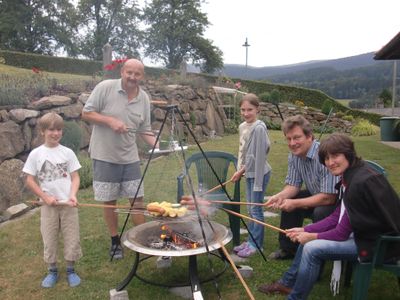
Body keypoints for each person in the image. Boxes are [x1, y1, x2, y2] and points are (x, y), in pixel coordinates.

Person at [258, 133, 400, 299]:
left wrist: (311, 236)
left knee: (312, 247)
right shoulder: (350, 176)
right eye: (326, 158)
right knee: (310, 241)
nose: (330, 163)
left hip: (379, 245)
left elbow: (341, 233)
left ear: (348, 153)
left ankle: (294, 297)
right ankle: (288, 284)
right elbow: (336, 217)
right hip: (365, 235)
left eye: (335, 156)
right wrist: (305, 229)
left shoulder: (359, 183)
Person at [81, 58, 158, 259]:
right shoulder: (105, 87)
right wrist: (109, 120)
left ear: (142, 76)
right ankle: (115, 241)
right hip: (104, 155)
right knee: (110, 202)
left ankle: (143, 239)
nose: (132, 77)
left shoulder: (144, 99)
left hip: (130, 157)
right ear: (122, 71)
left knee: (137, 201)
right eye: (129, 72)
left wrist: (160, 146)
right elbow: (86, 113)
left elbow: (145, 130)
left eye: (137, 74)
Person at [266, 115, 338, 259]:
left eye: (297, 137)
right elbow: (293, 185)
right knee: (290, 200)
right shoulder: (294, 155)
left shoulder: (324, 155)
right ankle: (288, 249)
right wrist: (280, 196)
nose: (292, 143)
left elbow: (329, 198)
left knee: (318, 211)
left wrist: (294, 203)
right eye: (289, 138)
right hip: (317, 194)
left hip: (337, 203)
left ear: (309, 136)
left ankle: (316, 252)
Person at [22, 112, 82, 288]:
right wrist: (45, 197)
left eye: (59, 130)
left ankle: (71, 270)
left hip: (68, 205)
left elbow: (75, 177)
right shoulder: (36, 154)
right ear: (42, 131)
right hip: (48, 206)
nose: (55, 133)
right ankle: (52, 270)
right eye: (51, 130)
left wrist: (73, 195)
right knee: (49, 238)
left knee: (72, 237)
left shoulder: (67, 153)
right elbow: (29, 180)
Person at [229, 93, 272, 258]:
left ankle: (256, 244)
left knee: (256, 208)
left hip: (259, 173)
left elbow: (258, 156)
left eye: (250, 110)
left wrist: (241, 171)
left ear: (257, 109)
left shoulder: (259, 128)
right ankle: (251, 240)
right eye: (243, 110)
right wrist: (241, 169)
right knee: (250, 209)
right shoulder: (242, 126)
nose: (246, 113)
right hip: (248, 172)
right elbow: (244, 152)